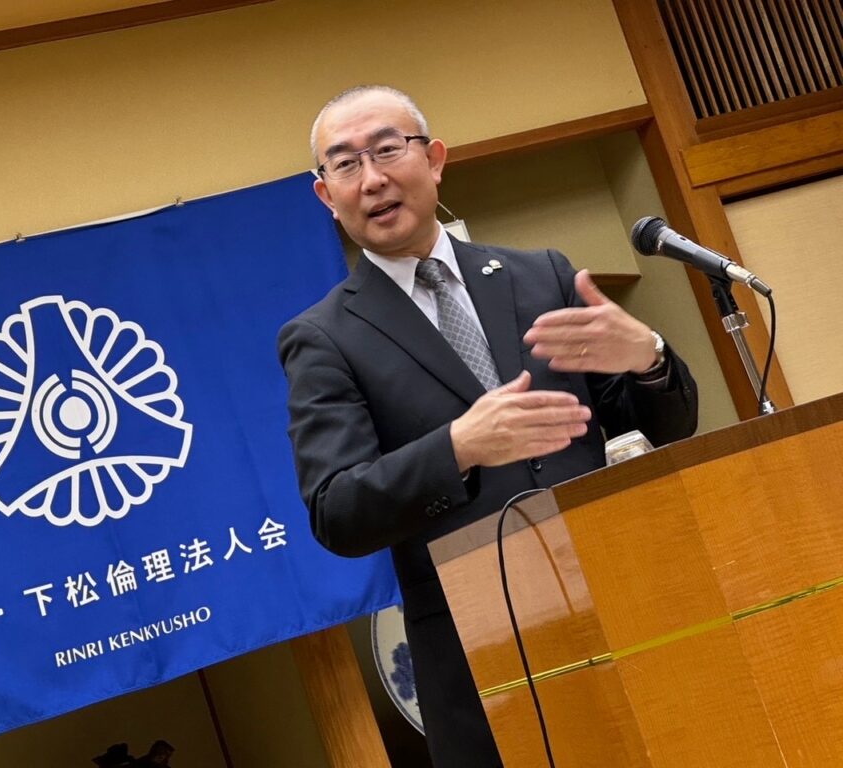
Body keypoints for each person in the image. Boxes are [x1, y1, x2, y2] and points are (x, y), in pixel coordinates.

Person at [277, 85, 698, 768]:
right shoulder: (325, 338)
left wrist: (647, 358)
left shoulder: (541, 276)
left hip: (622, 603)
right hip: (481, 658)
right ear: (327, 195)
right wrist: (458, 447)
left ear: (435, 159)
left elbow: (665, 427)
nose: (372, 178)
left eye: (387, 150)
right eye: (346, 164)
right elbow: (338, 510)